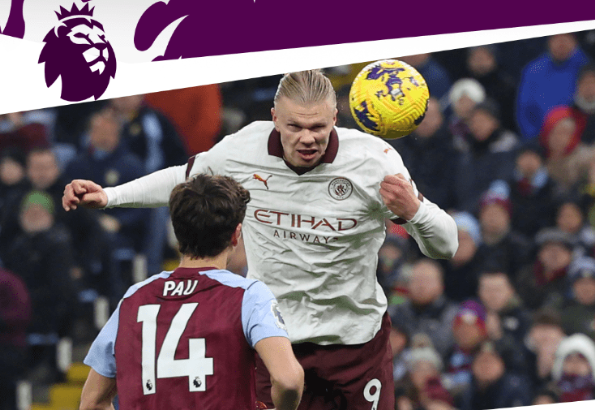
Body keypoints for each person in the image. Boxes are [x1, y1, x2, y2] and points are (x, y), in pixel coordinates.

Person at [64, 69, 459, 409]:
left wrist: (415, 211)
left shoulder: (374, 161)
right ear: (274, 119)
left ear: (335, 119)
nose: (307, 138)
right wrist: (110, 196)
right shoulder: (244, 149)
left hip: (354, 346)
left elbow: (446, 246)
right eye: (295, 127)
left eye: (318, 128)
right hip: (273, 344)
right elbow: (184, 177)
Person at [80, 174, 304, 410]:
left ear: (177, 235)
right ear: (236, 234)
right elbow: (288, 380)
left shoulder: (133, 299)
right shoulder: (248, 295)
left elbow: (92, 402)